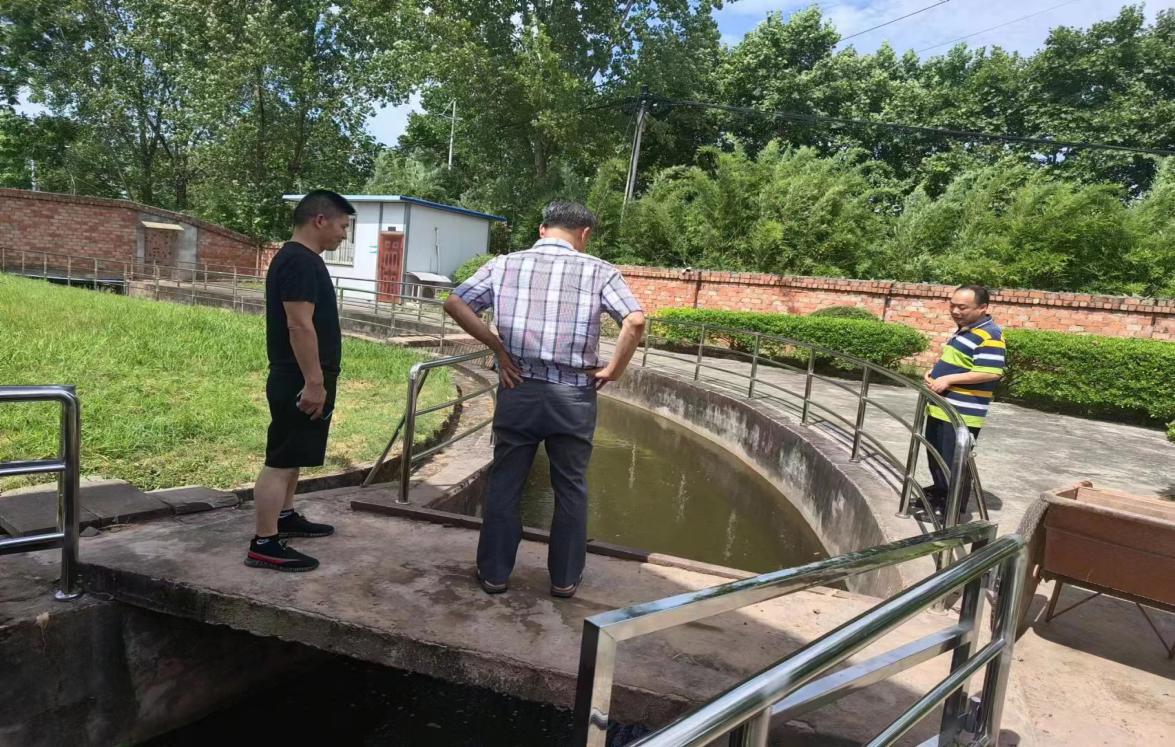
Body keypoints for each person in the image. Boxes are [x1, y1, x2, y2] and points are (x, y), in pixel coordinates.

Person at [443, 201, 646, 598]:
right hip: (573, 395)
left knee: (506, 483)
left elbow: (454, 302)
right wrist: (614, 369)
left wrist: (497, 348)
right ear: (584, 234)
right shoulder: (600, 271)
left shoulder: (504, 265)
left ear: (542, 229)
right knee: (571, 487)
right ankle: (564, 580)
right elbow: (635, 320)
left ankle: (495, 575)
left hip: (518, 387)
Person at [245, 190, 355, 572]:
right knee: (281, 458)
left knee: (294, 455)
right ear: (319, 220)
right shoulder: (298, 261)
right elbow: (298, 325)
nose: (344, 235)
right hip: (298, 377)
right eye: (343, 226)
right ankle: (264, 543)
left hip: (304, 375)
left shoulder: (303, 260)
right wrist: (314, 382)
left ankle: (285, 516)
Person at [920, 284, 1006, 519]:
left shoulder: (990, 335)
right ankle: (940, 495)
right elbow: (957, 362)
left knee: (954, 461)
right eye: (952, 306)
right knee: (937, 456)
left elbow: (990, 372)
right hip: (942, 408)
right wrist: (933, 373)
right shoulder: (965, 331)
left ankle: (952, 510)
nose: (956, 311)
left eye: (963, 307)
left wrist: (948, 379)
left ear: (982, 308)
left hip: (962, 412)